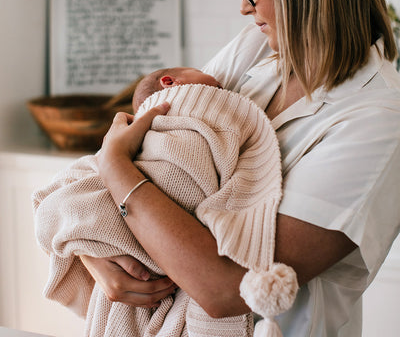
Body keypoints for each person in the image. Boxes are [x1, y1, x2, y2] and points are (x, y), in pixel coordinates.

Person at [37, 0, 400, 335]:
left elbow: (226, 287)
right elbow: (159, 143)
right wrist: (94, 248)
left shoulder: (376, 122)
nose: (244, 5)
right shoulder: (255, 50)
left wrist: (113, 165)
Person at [33, 65, 296, 336]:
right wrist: (92, 248)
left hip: (180, 261)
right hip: (148, 246)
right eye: (215, 88)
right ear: (170, 82)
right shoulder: (167, 117)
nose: (221, 89)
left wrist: (114, 165)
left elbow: (218, 290)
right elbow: (72, 185)